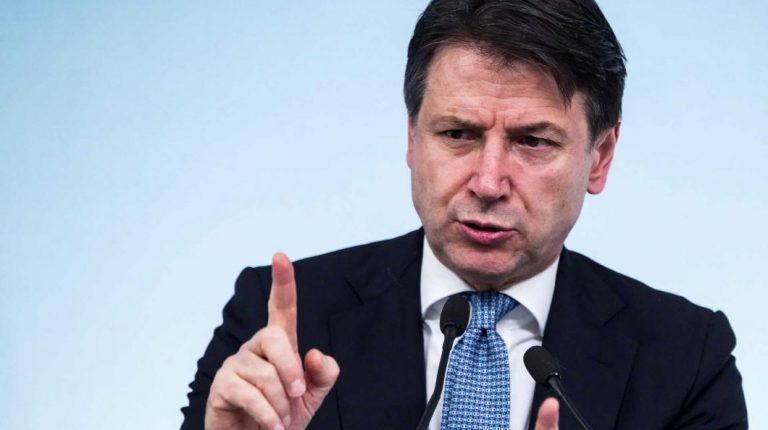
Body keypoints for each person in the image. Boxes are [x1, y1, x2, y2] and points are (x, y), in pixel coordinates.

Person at [181, 0, 747, 429]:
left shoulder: (687, 358)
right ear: (411, 138)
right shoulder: (278, 323)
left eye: (532, 141)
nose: (488, 183)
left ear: (599, 157)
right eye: (457, 133)